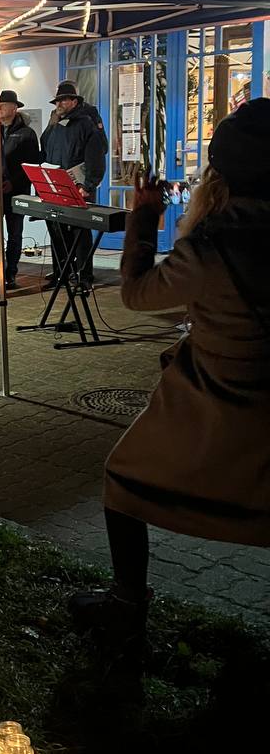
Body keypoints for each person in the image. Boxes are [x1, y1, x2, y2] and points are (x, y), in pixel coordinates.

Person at [70, 99, 270, 671]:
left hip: (220, 402)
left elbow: (136, 294)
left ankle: (126, 606)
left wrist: (143, 217)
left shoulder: (212, 247)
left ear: (221, 178)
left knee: (124, 477)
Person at [39, 83, 106, 288]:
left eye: (64, 100)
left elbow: (96, 154)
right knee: (57, 229)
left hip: (78, 186)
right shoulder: (56, 123)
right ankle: (62, 272)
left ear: (75, 102)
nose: (59, 103)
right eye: (58, 100)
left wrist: (88, 185)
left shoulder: (86, 123)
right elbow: (46, 148)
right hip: (56, 186)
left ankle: (84, 276)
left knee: (80, 233)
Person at [0, 90, 40, 289]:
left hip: (17, 191)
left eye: (3, 105)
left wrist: (13, 183)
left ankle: (10, 273)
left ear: (14, 108)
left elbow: (30, 164)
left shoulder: (26, 134)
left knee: (14, 233)